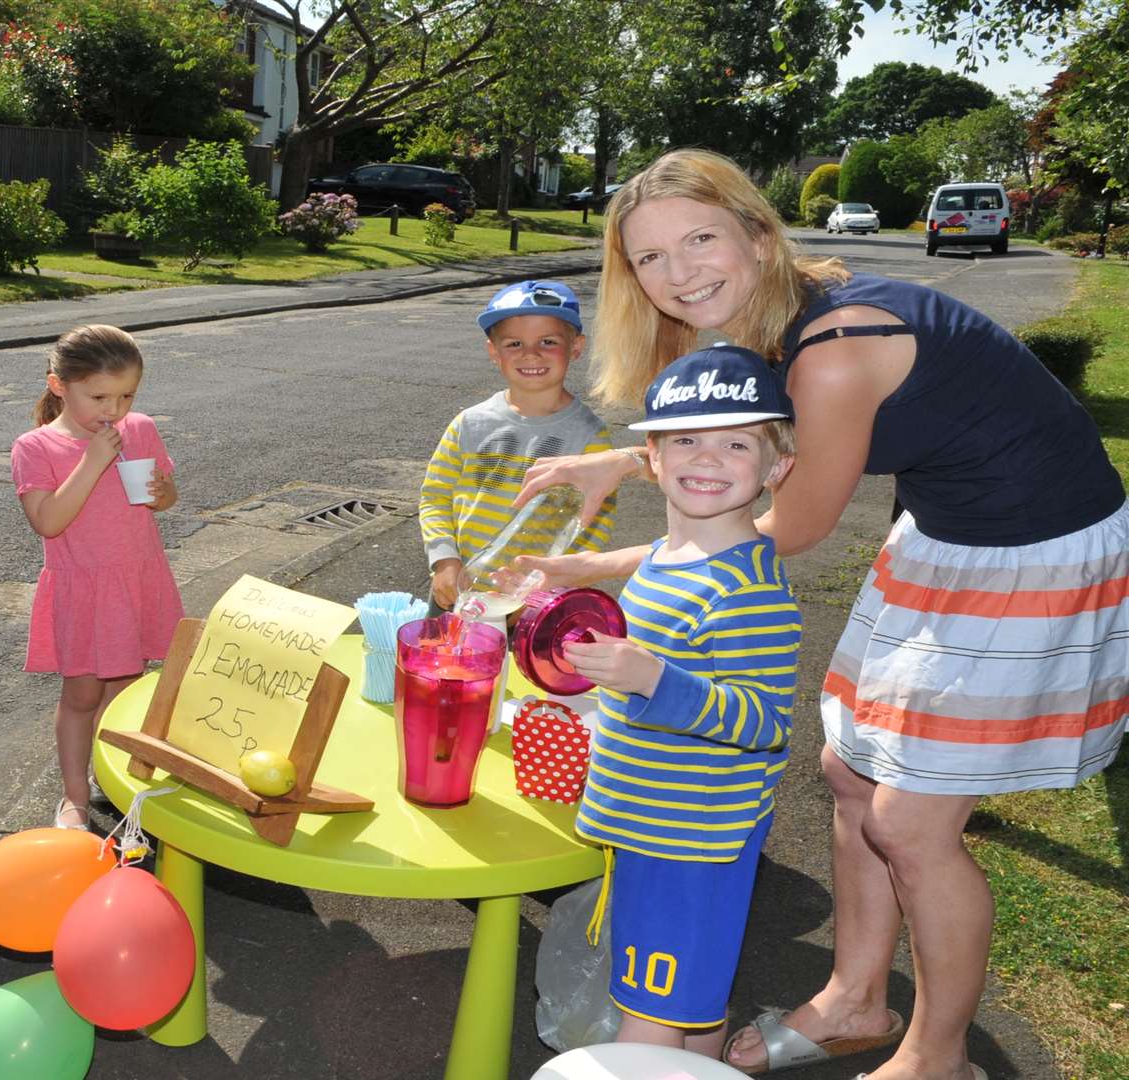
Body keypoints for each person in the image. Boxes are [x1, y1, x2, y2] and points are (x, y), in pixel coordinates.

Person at [516, 148, 1127, 1080]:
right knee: (850, 772)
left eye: (700, 239)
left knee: (913, 825)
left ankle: (938, 1057)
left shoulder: (835, 351)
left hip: (1031, 545)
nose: (678, 274)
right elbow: (736, 438)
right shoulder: (770, 317)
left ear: (759, 236)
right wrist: (621, 461)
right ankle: (856, 999)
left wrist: (596, 563)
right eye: (648, 258)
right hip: (945, 529)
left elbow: (771, 532)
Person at [561, 345, 800, 1061]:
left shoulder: (748, 590)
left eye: (737, 442)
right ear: (654, 460)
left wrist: (650, 679)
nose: (708, 458)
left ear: (777, 468)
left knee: (647, 1020)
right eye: (686, 440)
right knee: (690, 1005)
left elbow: (764, 722)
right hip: (655, 824)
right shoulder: (667, 561)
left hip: (689, 844)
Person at [11, 325, 183, 830]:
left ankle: (113, 780)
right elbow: (48, 521)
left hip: (136, 578)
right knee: (83, 695)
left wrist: (160, 493)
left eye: (127, 395)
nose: (114, 409)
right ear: (59, 385)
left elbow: (168, 492)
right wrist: (91, 462)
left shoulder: (142, 428)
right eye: (99, 396)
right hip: (83, 586)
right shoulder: (35, 446)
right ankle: (73, 797)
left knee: (126, 692)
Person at [419, 279, 617, 612]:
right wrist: (444, 561)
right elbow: (435, 495)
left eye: (548, 341)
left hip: (537, 601)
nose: (531, 354)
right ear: (493, 351)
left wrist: (541, 587)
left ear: (577, 347)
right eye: (514, 344)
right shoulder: (469, 424)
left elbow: (594, 525)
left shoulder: (590, 438)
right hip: (458, 588)